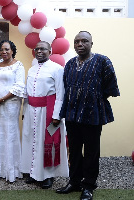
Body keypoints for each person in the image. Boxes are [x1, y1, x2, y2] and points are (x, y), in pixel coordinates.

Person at [56, 31, 120, 200]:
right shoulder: (70, 64)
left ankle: (89, 186)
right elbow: (66, 87)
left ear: (92, 43)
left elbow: (109, 86)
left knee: (92, 151)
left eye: (84, 41)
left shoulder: (102, 61)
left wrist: (93, 98)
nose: (80, 44)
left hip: (92, 114)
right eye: (77, 41)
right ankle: (74, 182)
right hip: (72, 114)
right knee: (75, 150)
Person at [21, 41, 69, 189]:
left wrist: (57, 115)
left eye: (43, 49)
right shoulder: (32, 69)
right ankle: (33, 173)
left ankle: (48, 176)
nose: (39, 51)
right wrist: (24, 111)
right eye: (37, 49)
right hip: (31, 110)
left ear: (50, 51)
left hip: (48, 111)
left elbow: (61, 94)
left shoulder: (57, 69)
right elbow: (27, 93)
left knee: (47, 143)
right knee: (31, 141)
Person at [0, 40, 26, 182]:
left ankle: (11, 170)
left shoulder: (18, 66)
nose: (4, 52)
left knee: (10, 133)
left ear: (12, 50)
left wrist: (2, 99)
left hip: (10, 104)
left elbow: (19, 86)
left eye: (7, 49)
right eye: (2, 50)